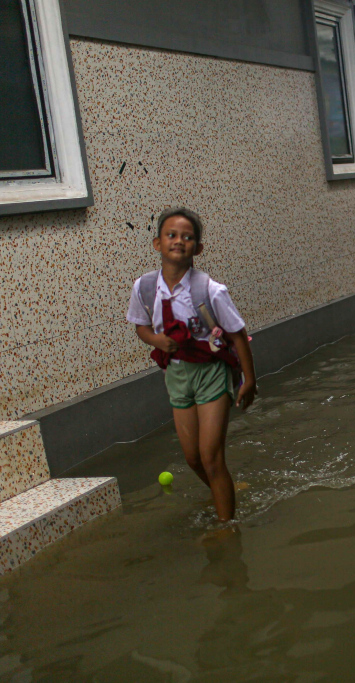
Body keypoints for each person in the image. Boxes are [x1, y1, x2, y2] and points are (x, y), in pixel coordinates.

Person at [127, 207, 257, 522]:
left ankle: (227, 526)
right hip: (176, 375)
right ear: (157, 243)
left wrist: (249, 381)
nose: (179, 241)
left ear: (197, 248)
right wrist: (155, 340)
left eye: (187, 237)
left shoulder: (209, 290)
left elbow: (238, 336)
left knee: (211, 457)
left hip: (211, 372)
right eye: (171, 235)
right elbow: (141, 326)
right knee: (193, 459)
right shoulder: (144, 288)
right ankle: (223, 489)